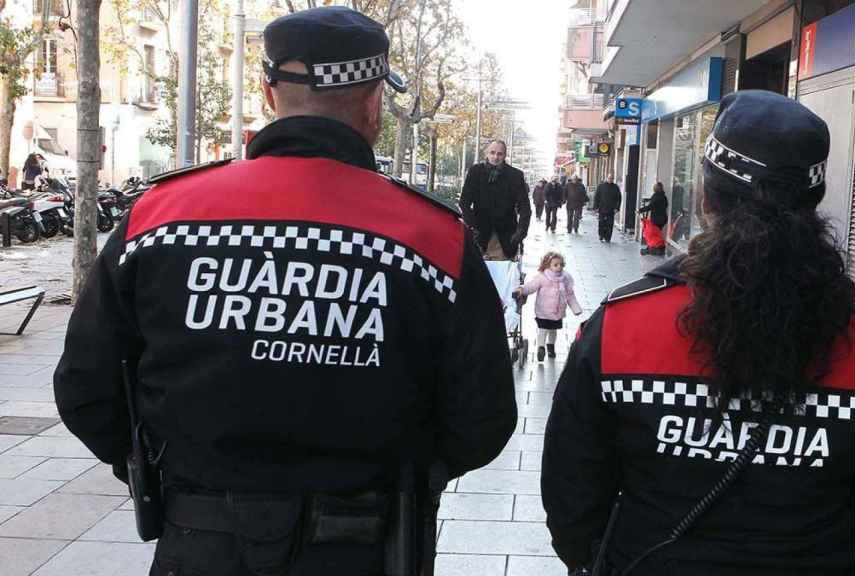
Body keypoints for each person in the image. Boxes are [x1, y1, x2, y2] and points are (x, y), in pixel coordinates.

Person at [54, 7, 517, 575]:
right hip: (363, 548)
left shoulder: (159, 217)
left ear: (268, 91)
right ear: (373, 103)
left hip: (198, 544)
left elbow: (84, 387)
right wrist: (409, 473)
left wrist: (168, 473)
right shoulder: (432, 240)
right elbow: (485, 417)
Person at [541, 91, 855, 576]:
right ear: (812, 202)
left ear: (705, 200)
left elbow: (571, 487)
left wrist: (590, 559)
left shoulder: (620, 328)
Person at [459, 140, 531, 260]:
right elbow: (464, 202)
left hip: (506, 237)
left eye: (499, 154)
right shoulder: (475, 172)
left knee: (502, 275)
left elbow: (524, 208)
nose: (495, 157)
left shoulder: (515, 175)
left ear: (505, 155)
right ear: (486, 153)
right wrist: (472, 227)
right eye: (492, 153)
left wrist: (520, 232)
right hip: (479, 235)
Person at [515, 251, 582, 361]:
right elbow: (532, 286)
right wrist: (522, 289)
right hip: (543, 311)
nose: (559, 267)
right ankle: (541, 347)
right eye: (555, 265)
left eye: (561, 264)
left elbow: (570, 295)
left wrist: (576, 308)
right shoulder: (542, 277)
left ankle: (550, 346)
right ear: (548, 265)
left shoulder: (565, 279)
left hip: (557, 312)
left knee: (553, 330)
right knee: (543, 329)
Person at [637, 182, 668, 255]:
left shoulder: (656, 196)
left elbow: (650, 206)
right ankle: (656, 247)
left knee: (653, 234)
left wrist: (640, 210)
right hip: (663, 218)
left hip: (656, 219)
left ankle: (654, 247)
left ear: (655, 189)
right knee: (657, 234)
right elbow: (665, 205)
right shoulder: (664, 197)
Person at [594, 173, 621, 242]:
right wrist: (596, 207)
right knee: (601, 222)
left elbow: (619, 198)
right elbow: (597, 197)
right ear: (606, 178)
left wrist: (617, 208)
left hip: (611, 209)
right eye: (609, 178)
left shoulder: (616, 187)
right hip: (602, 208)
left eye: (612, 178)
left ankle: (608, 237)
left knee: (609, 224)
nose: (610, 180)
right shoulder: (601, 186)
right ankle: (601, 235)